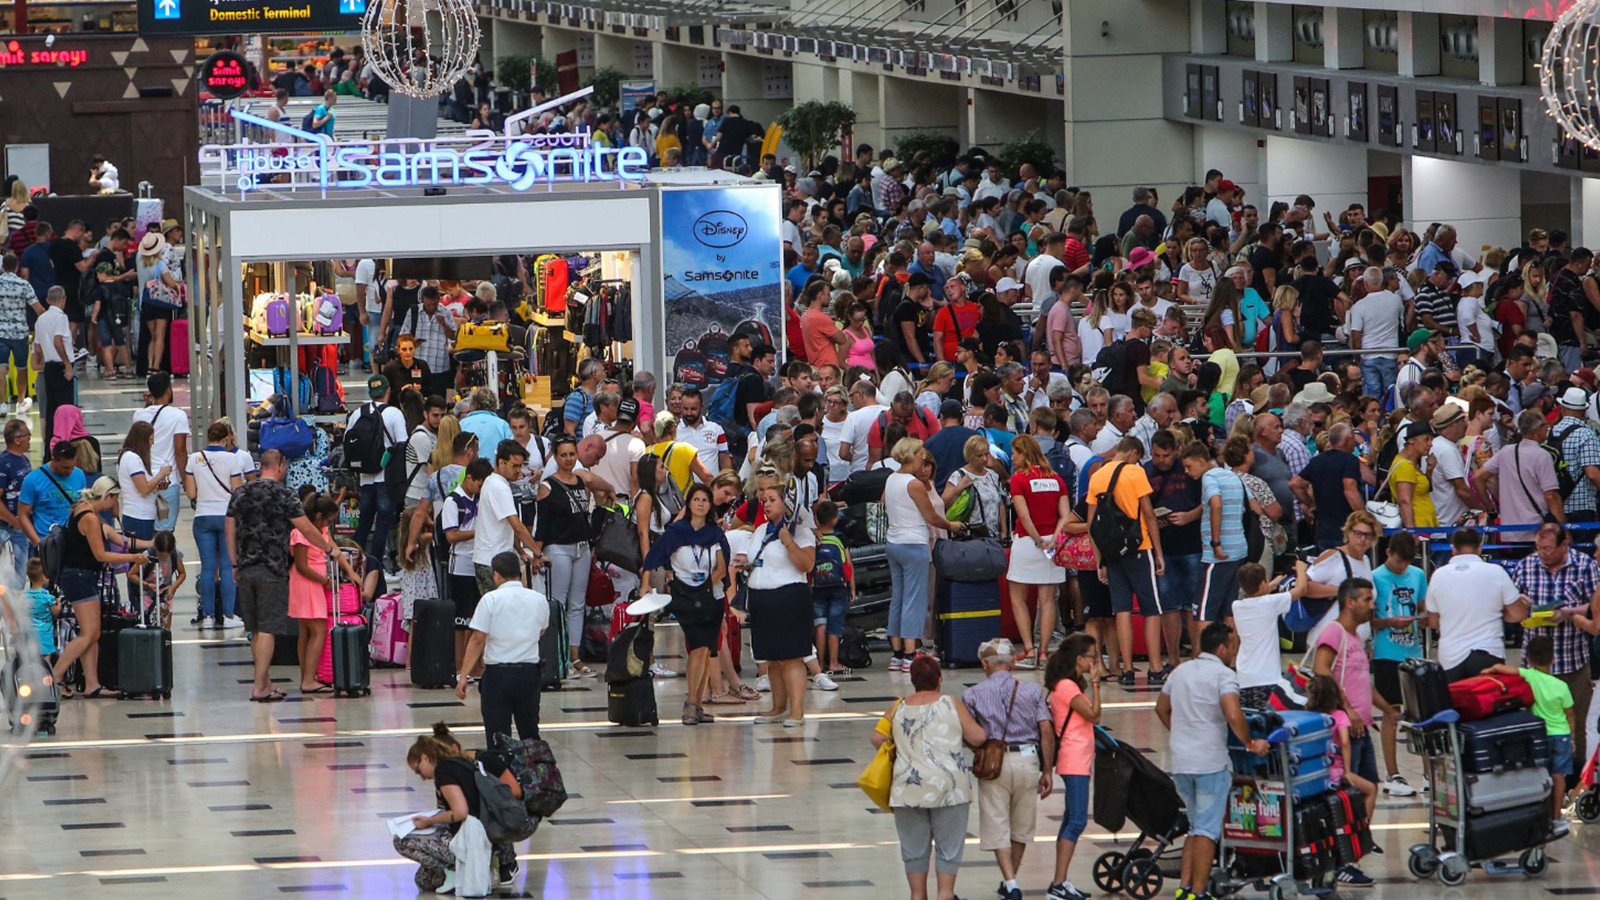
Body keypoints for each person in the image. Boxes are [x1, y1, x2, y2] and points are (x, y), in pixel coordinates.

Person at [1156, 623, 1269, 900]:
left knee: (1194, 827)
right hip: (1210, 763)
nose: (1235, 653)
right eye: (1233, 647)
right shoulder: (1224, 675)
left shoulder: (1180, 671)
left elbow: (1161, 708)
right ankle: (1198, 892)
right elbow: (1233, 713)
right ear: (1222, 648)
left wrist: (1182, 733)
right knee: (1207, 830)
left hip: (1181, 761)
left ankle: (1185, 888)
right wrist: (1250, 743)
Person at [872, 655, 987, 900]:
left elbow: (877, 739)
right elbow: (978, 737)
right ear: (940, 679)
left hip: (907, 788)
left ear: (913, 681)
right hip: (950, 788)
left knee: (914, 852)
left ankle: (917, 895)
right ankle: (944, 895)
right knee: (948, 851)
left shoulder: (898, 707)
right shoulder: (951, 703)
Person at [228, 449, 336, 702]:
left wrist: (234, 562)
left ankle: (264, 681)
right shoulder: (284, 494)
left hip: (245, 568)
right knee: (267, 629)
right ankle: (259, 687)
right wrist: (328, 548)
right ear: (281, 466)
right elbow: (305, 528)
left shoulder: (240, 493)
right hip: (272, 570)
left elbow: (229, 527)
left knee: (255, 629)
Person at [963, 638, 1055, 900]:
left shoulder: (972, 694)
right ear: (1013, 663)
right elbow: (1046, 730)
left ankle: (1011, 881)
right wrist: (1047, 770)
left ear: (985, 665)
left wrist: (979, 753)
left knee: (996, 821)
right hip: (1028, 761)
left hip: (994, 764)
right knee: (1021, 825)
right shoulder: (1033, 691)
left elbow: (971, 735)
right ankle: (1010, 881)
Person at [1509, 522, 1600, 778]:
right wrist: (1522, 605)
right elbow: (1512, 608)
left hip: (1573, 658)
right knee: (1536, 719)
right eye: (1539, 548)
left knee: (1578, 721)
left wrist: (1569, 613)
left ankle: (1577, 776)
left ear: (1564, 544)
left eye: (1549, 549)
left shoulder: (1585, 565)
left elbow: (1595, 606)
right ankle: (1538, 773)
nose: (1543, 554)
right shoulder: (1525, 566)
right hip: (1536, 663)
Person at [1308, 576, 1382, 887]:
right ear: (1350, 601)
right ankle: (1344, 857)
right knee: (1352, 795)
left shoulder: (1356, 637)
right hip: (1344, 731)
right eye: (1366, 599)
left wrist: (1387, 709)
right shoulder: (1334, 632)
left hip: (1361, 729)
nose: (1371, 605)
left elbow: (1364, 683)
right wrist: (1348, 710)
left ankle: (1352, 852)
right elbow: (1321, 671)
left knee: (1369, 790)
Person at [47, 478, 151, 699]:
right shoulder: (90, 519)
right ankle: (55, 677)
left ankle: (92, 684)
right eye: (115, 499)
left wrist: (148, 544)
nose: (115, 505)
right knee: (89, 633)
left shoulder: (81, 509)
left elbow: (114, 539)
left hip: (78, 575)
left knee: (90, 633)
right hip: (80, 576)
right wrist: (133, 557)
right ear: (108, 496)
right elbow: (101, 555)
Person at [642, 483, 729, 722]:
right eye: (696, 499)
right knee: (698, 646)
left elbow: (722, 567)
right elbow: (653, 557)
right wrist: (645, 583)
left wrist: (707, 585)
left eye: (705, 500)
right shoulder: (676, 531)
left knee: (706, 649)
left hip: (711, 596)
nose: (700, 503)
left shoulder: (715, 533)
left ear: (710, 505)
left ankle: (697, 704)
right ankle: (690, 703)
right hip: (685, 596)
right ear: (689, 503)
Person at [396, 726, 519, 893]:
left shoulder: (443, 772)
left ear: (425, 758)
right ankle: (458, 870)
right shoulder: (459, 764)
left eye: (419, 771)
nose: (423, 777)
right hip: (484, 836)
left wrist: (430, 821)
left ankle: (454, 869)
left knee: (400, 841)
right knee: (424, 880)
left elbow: (460, 812)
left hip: (469, 840)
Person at [1087, 436, 1167, 686]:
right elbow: (1149, 515)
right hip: (1138, 547)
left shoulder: (1097, 475)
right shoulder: (1135, 472)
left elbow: (1092, 526)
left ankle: (1127, 668)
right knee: (1151, 609)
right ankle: (1155, 667)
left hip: (1111, 552)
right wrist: (1158, 552)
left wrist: (1099, 560)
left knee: (1121, 609)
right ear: (1133, 453)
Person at [736, 481, 817, 726]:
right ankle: (778, 706)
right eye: (764, 500)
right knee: (770, 657)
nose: (767, 504)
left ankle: (797, 712)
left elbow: (807, 564)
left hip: (789, 597)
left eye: (772, 499)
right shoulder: (760, 530)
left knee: (791, 657)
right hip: (762, 599)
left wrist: (788, 541)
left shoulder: (800, 529)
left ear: (786, 503)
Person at [883, 439, 966, 669]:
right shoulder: (914, 484)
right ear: (911, 455)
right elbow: (931, 517)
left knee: (898, 597)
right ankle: (910, 654)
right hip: (914, 543)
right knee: (915, 600)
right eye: (919, 452)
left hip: (894, 542)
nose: (923, 456)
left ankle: (897, 653)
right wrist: (951, 525)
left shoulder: (891, 479)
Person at [456, 550, 551, 748]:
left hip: (498, 675)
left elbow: (477, 640)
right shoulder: (539, 599)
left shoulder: (490, 600)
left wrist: (464, 675)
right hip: (529, 674)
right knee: (530, 732)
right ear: (520, 573)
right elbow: (542, 630)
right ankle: (534, 776)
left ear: (496, 574)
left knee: (497, 734)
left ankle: (501, 775)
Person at [532, 437, 608, 677]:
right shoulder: (547, 486)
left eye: (571, 454)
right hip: (558, 549)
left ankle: (575, 656)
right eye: (563, 455)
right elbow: (541, 525)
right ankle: (558, 656)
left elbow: (588, 513)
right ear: (555, 457)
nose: (567, 459)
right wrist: (537, 553)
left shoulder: (580, 483)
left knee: (577, 605)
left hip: (582, 548)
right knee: (559, 604)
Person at [1484, 636, 1575, 831]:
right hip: (1562, 734)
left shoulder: (1529, 676)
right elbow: (1570, 714)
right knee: (1559, 776)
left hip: (1540, 736)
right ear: (1553, 660)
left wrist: (1491, 670)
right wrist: (1573, 738)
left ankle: (1541, 815)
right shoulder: (1562, 686)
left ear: (1529, 660)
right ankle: (1557, 816)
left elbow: (1505, 669)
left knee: (1542, 774)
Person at [1429, 526, 1530, 681]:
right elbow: (1519, 614)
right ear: (1480, 548)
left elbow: (1434, 622)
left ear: (1453, 549)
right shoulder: (1496, 572)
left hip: (1450, 656)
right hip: (1488, 652)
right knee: (1488, 703)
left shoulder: (1438, 575)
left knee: (1455, 703)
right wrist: (1496, 613)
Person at [1370, 531, 1426, 797]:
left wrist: (1424, 619)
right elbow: (1369, 619)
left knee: (1421, 715)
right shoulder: (1376, 578)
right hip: (1386, 653)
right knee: (1391, 714)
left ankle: (1428, 773)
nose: (1402, 567)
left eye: (1406, 563)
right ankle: (1393, 774)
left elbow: (1423, 609)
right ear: (1388, 554)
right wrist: (1389, 623)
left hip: (1412, 651)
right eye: (1398, 562)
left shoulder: (1417, 575)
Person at [1007, 434, 1070, 669]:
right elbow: (1065, 514)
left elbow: (1023, 515)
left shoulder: (1018, 479)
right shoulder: (1056, 478)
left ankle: (1028, 649)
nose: (1012, 457)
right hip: (1052, 544)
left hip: (1027, 541)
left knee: (1018, 598)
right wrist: (1053, 539)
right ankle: (1044, 652)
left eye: (1015, 453)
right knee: (1048, 600)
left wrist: (1037, 539)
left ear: (1024, 454)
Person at [289, 494, 362, 693]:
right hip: (308, 584)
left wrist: (350, 571)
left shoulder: (320, 530)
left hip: (309, 584)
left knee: (306, 631)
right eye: (329, 520)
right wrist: (326, 582)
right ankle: (309, 679)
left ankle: (307, 676)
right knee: (319, 630)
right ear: (319, 515)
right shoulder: (301, 533)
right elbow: (302, 566)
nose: (329, 524)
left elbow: (335, 550)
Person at [186, 420, 245, 629]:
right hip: (226, 516)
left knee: (208, 567)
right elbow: (237, 491)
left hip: (202, 516)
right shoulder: (232, 459)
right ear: (226, 438)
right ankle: (229, 615)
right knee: (228, 567)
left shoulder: (194, 459)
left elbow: (191, 493)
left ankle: (208, 616)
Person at [1477, 409, 1565, 541]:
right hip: (1537, 531)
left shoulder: (1506, 451)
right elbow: (1551, 496)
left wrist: (1491, 507)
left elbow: (1478, 477)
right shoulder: (1542, 455)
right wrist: (1564, 531)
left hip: (1509, 530)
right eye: (1546, 426)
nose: (1548, 429)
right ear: (1537, 429)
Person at [1232, 560, 1310, 709]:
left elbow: (1259, 595)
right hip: (1267, 680)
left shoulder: (1237, 606)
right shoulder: (1270, 603)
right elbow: (1301, 590)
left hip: (1243, 679)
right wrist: (1301, 569)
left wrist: (1275, 582)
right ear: (1262, 585)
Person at [1304, 674, 1379, 823]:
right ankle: (1363, 829)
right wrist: (1347, 771)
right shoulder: (1339, 715)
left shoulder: (1308, 715)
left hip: (1314, 771)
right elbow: (1345, 742)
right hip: (1335, 771)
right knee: (1371, 789)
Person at [131, 373, 189, 535]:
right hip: (167, 482)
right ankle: (165, 560)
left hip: (145, 481)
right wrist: (186, 480)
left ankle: (148, 559)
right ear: (169, 391)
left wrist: (147, 405)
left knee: (148, 533)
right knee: (165, 535)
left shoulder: (139, 415)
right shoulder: (178, 415)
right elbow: (180, 451)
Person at [808, 499, 853, 678]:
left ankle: (819, 663)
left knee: (820, 623)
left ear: (817, 520)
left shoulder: (813, 539)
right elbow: (848, 565)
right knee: (835, 625)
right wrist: (852, 587)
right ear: (835, 519)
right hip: (838, 586)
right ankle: (833, 662)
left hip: (817, 586)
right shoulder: (840, 538)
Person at [33, 286, 74, 450]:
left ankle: (51, 450)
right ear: (63, 299)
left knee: (51, 412)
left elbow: (37, 348)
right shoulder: (61, 317)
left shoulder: (41, 319)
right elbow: (58, 341)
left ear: (48, 300)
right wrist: (67, 364)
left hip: (48, 368)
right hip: (60, 368)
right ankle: (66, 446)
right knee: (65, 410)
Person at [116, 420, 170, 542]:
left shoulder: (131, 457)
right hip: (139, 516)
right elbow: (144, 489)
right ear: (142, 440)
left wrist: (158, 485)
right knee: (143, 555)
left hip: (140, 515)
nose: (153, 443)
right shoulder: (132, 459)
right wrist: (161, 474)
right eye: (151, 439)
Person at [0, 418, 32, 576]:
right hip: (9, 528)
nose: (30, 438)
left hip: (23, 526)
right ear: (17, 440)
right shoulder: (4, 463)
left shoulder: (24, 460)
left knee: (20, 577)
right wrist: (15, 522)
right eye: (27, 435)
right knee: (12, 580)